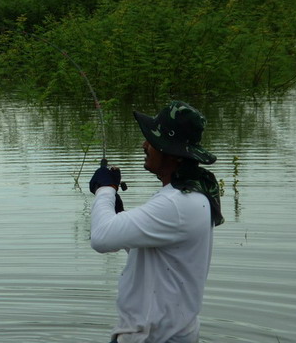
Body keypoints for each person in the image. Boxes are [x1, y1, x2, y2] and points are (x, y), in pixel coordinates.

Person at [89, 101, 223, 343]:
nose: (145, 145)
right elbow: (158, 253)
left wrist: (105, 190)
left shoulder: (177, 202)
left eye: (152, 141)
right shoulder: (189, 195)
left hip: (154, 338)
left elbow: (100, 238)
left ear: (172, 152)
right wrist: (121, 218)